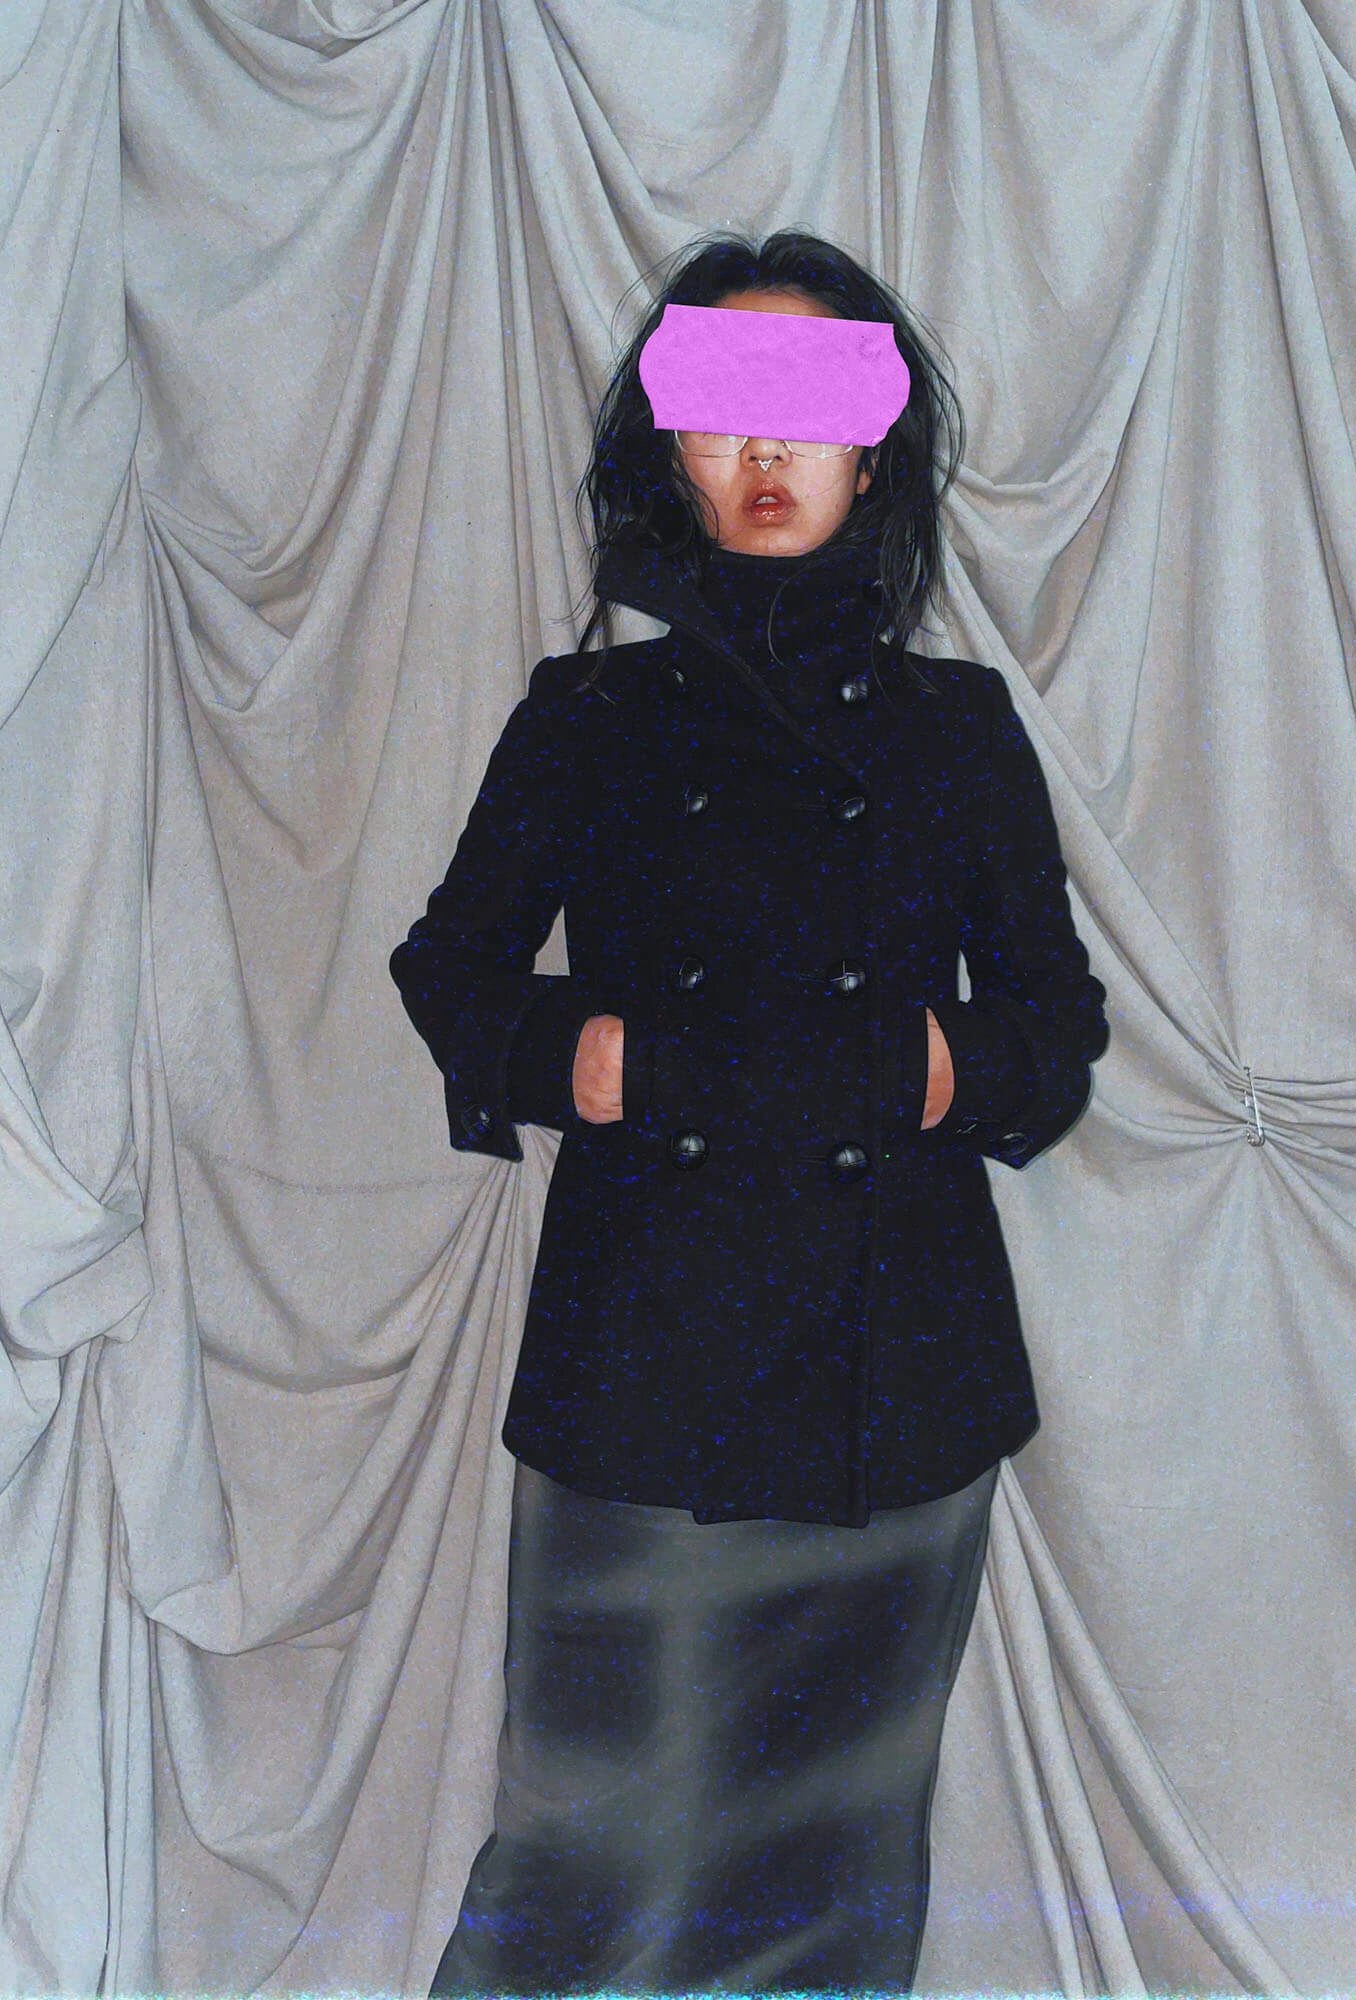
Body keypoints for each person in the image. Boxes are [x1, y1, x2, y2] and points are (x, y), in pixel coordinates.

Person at [389, 227, 1108, 1998]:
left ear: (873, 447)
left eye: (812, 404)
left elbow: (1057, 1028)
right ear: (674, 444)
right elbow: (451, 971)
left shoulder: (959, 731)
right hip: (641, 1360)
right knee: (582, 1861)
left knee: (833, 1880)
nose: (769, 448)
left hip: (897, 1381)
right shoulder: (587, 718)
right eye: (726, 403)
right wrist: (588, 1058)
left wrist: (937, 1070)